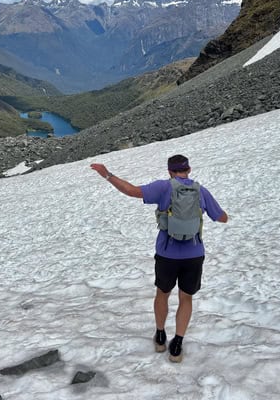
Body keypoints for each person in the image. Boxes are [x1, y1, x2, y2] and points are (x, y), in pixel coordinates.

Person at [90, 154, 228, 362]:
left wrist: (107, 174)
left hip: (167, 253)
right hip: (194, 253)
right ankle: (177, 345)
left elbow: (131, 191)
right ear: (189, 170)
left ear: (170, 171)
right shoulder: (201, 191)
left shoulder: (164, 188)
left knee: (162, 293)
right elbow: (221, 217)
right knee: (186, 297)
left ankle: (161, 335)